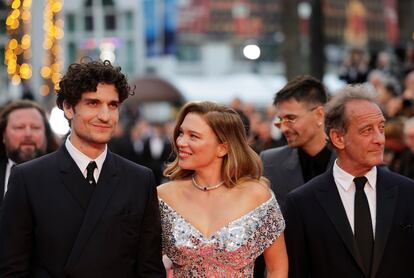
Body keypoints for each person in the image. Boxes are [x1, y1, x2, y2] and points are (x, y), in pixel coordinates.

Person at [0, 60, 165, 277]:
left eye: (113, 105)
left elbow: (150, 270)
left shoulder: (139, 179)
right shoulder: (28, 178)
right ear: (68, 107)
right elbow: (12, 269)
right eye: (93, 103)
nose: (105, 116)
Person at [284, 85, 414, 278]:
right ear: (338, 138)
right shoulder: (301, 203)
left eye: (381, 128)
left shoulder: (408, 192)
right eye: (367, 130)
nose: (380, 139)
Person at [157, 101, 287, 277]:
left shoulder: (257, 195)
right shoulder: (163, 196)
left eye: (193, 136)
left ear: (222, 148)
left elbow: (277, 268)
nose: (181, 142)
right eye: (181, 133)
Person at [260, 75, 335, 209]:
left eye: (291, 118)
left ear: (319, 115)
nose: (283, 128)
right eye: (281, 120)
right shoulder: (270, 162)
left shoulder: (349, 160)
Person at [0, 99, 59, 205]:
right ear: (3, 135)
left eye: (35, 128)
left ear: (46, 135)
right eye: (19, 127)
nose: (28, 134)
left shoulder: (63, 174)